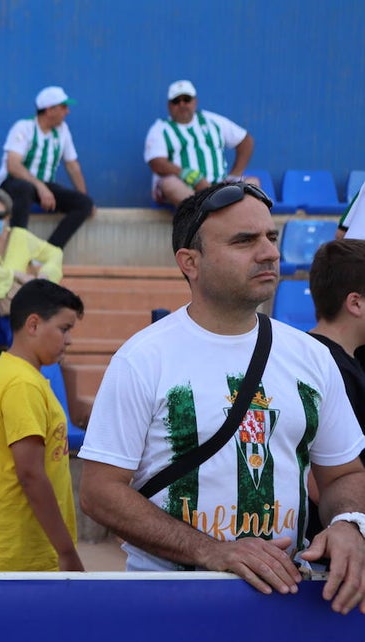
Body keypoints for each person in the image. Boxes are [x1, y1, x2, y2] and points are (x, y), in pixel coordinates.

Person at [78, 182, 365, 615]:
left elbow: (343, 473)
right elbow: (99, 492)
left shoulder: (312, 358)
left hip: (289, 604)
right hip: (169, 605)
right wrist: (213, 551)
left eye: (271, 237)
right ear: (190, 262)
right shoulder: (143, 359)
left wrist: (349, 524)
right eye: (244, 241)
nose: (269, 252)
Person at [0, 279, 85, 572]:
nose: (69, 340)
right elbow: (31, 474)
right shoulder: (22, 384)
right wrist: (67, 552)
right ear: (33, 325)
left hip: (20, 546)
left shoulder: (15, 373)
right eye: (64, 328)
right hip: (20, 551)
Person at [0, 188, 64, 416]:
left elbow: (54, 253)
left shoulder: (20, 236)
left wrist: (46, 275)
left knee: (24, 334)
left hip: (14, 307)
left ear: (7, 217)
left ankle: (23, 399)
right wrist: (16, 275)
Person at [306, 238, 365, 540]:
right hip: (333, 550)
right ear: (355, 303)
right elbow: (320, 481)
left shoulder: (350, 360)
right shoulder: (324, 366)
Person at [0, 86, 94, 249]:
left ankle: (50, 251)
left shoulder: (63, 130)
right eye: (64, 107)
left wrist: (84, 196)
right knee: (25, 189)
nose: (68, 112)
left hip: (44, 186)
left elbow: (72, 165)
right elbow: (13, 165)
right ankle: (16, 249)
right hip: (14, 183)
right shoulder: (23, 127)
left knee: (84, 203)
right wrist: (39, 186)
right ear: (49, 110)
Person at [144, 80, 255, 207]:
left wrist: (235, 174)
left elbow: (245, 140)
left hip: (219, 185)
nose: (182, 104)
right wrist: (191, 177)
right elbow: (157, 163)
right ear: (169, 105)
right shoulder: (160, 128)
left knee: (253, 183)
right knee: (170, 185)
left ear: (195, 101)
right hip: (186, 188)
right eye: (176, 101)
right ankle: (200, 212)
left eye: (186, 99)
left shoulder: (212, 121)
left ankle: (224, 213)